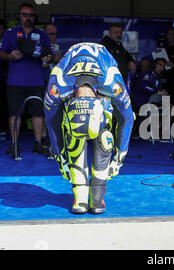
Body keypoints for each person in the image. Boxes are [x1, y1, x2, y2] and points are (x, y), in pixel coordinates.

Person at [44, 42, 134, 214]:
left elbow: (127, 117)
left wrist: (119, 155)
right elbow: (52, 120)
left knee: (105, 136)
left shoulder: (112, 84)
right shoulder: (57, 86)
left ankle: (98, 193)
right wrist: (60, 156)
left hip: (102, 70)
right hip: (72, 76)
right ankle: (80, 193)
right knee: (73, 136)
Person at [0, 2, 54, 157]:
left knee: (38, 113)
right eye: (24, 15)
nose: (27, 18)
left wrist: (49, 57)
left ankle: (38, 143)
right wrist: (10, 56)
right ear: (19, 16)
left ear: (34, 17)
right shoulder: (10, 33)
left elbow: (51, 55)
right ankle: (14, 144)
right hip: (15, 82)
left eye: (30, 15)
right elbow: (1, 53)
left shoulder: (42, 34)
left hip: (36, 81)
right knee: (15, 114)